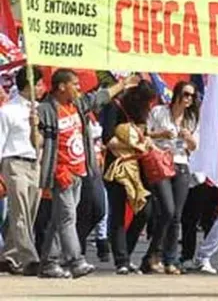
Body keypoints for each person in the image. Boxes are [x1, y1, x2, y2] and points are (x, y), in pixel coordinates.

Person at [37, 70, 139, 278]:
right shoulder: (45, 110)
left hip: (80, 171)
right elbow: (37, 142)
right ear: (62, 86)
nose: (79, 88)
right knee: (68, 218)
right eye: (74, 84)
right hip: (61, 173)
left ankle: (48, 262)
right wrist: (33, 128)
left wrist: (122, 85)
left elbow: (98, 97)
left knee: (59, 218)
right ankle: (76, 261)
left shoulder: (77, 105)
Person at [101, 79, 157, 274]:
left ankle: (127, 250)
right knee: (117, 212)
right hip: (116, 167)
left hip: (138, 167)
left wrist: (147, 141)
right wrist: (132, 146)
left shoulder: (141, 114)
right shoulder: (114, 107)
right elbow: (108, 139)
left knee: (145, 210)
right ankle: (121, 260)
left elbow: (144, 135)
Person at [143, 81, 199, 274]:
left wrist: (189, 138)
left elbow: (193, 147)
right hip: (161, 162)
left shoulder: (190, 118)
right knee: (167, 209)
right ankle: (153, 254)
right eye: (186, 94)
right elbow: (145, 134)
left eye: (192, 96)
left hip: (181, 164)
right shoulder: (159, 111)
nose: (189, 99)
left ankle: (170, 259)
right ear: (176, 94)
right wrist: (161, 134)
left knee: (176, 216)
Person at [0, 67, 45, 275]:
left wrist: (37, 126)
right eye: (39, 84)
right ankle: (30, 259)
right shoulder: (8, 110)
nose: (42, 87)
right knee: (19, 213)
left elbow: (42, 142)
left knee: (29, 212)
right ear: (29, 85)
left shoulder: (40, 110)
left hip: (35, 163)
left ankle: (8, 256)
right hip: (14, 163)